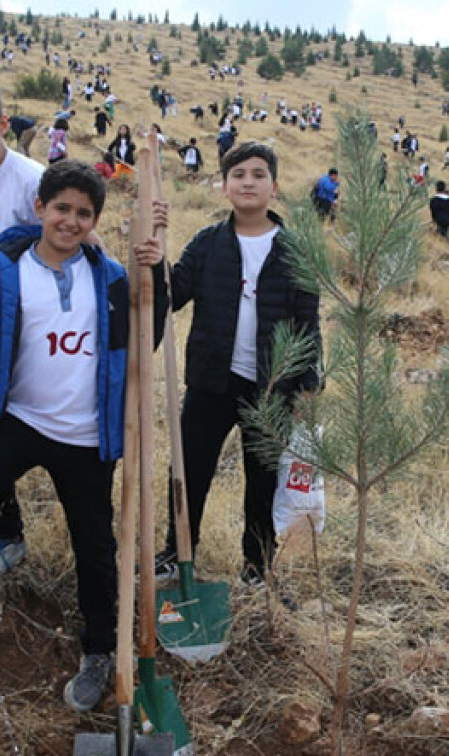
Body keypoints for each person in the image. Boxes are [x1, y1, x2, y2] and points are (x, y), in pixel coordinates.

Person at [0, 160, 166, 714]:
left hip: (86, 436)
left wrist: (156, 274)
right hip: (15, 422)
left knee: (96, 546)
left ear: (95, 220)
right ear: (40, 208)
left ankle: (100, 651)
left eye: (83, 213)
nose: (70, 221)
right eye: (61, 208)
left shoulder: (113, 278)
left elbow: (147, 337)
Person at [149, 142, 322, 596]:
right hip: (210, 381)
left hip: (272, 387)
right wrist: (153, 260)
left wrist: (307, 385)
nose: (248, 181)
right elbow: (173, 293)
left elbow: (309, 323)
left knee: (261, 478)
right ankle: (177, 549)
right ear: (224, 186)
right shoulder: (208, 243)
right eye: (239, 174)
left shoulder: (296, 250)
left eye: (258, 174)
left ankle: (256, 564)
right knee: (190, 468)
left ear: (274, 186)